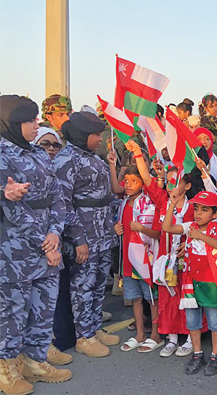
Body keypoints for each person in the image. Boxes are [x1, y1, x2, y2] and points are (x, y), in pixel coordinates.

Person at [0, 95, 71, 394]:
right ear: (13, 122)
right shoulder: (2, 154)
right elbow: (13, 208)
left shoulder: (38, 152)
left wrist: (55, 232)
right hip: (16, 249)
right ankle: (5, 368)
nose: (36, 124)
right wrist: (46, 243)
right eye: (30, 120)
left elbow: (57, 195)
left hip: (46, 244)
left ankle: (35, 359)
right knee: (13, 310)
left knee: (43, 306)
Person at [126, 140, 202, 357]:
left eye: (176, 182)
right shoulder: (162, 200)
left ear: (187, 186)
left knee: (186, 299)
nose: (170, 186)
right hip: (164, 260)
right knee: (167, 299)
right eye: (168, 182)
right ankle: (171, 338)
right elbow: (148, 180)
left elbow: (201, 226)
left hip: (186, 261)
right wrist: (138, 155)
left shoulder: (193, 206)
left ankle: (189, 338)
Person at [53, 111, 120, 358]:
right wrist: (78, 239)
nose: (100, 139)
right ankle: (84, 336)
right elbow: (64, 203)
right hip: (85, 235)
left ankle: (94, 326)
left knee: (99, 282)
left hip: (102, 233)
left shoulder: (92, 157)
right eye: (96, 134)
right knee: (83, 285)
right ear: (83, 135)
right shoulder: (66, 160)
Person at [162, 191, 217, 377]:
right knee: (192, 321)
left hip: (211, 283)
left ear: (215, 214)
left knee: (215, 322)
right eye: (196, 209)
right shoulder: (190, 226)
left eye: (204, 209)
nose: (198, 213)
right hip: (191, 283)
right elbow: (167, 227)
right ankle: (197, 353)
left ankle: (215, 355)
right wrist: (172, 204)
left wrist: (199, 236)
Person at [111, 162, 163, 353]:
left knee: (151, 298)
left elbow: (158, 234)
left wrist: (141, 229)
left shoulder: (149, 204)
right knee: (135, 298)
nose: (128, 184)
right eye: (126, 181)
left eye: (134, 181)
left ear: (143, 184)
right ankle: (140, 333)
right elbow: (121, 227)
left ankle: (156, 334)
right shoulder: (123, 203)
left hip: (145, 260)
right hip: (128, 259)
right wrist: (117, 230)